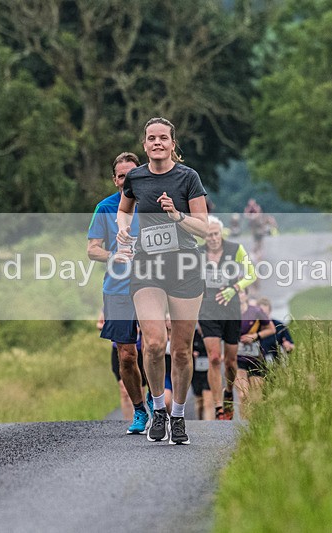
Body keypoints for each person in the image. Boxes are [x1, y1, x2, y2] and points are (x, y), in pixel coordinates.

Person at [117, 117, 208, 445]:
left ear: (172, 144)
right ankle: (158, 409)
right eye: (151, 138)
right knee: (154, 343)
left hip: (184, 268)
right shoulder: (136, 177)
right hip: (147, 269)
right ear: (144, 145)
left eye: (163, 138)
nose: (157, 143)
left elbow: (205, 227)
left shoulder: (188, 178)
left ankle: (179, 416)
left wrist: (177, 216)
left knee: (181, 351)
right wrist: (123, 228)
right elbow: (124, 209)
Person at [88, 152, 152, 435]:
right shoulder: (105, 208)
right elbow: (92, 249)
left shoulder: (152, 205)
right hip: (117, 290)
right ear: (115, 180)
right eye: (122, 175)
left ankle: (157, 400)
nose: (128, 179)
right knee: (126, 355)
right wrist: (114, 256)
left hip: (153, 286)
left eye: (132, 174)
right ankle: (140, 410)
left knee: (154, 347)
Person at [198, 215, 256, 420]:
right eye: (208, 235)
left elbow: (252, 274)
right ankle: (218, 407)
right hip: (207, 310)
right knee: (214, 358)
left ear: (221, 233)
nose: (212, 238)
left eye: (215, 234)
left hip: (231, 310)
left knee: (231, 362)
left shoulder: (235, 249)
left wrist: (235, 288)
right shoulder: (198, 253)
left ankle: (229, 392)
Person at [235, 289, 276, 419]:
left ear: (246, 295)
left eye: (241, 292)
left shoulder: (256, 311)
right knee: (243, 395)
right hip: (237, 358)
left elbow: (271, 329)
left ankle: (254, 425)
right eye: (236, 293)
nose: (239, 295)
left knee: (256, 397)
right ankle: (244, 424)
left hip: (255, 358)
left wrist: (255, 335)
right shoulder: (228, 312)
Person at [256, 297, 295, 365]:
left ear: (270, 311)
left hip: (274, 362)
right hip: (255, 362)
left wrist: (288, 346)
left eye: (265, 314)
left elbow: (291, 346)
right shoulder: (251, 327)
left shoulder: (279, 326)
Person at [191, 323, 214, 420]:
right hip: (196, 372)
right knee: (199, 402)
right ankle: (201, 422)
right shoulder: (193, 335)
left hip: (209, 371)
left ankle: (210, 424)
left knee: (208, 401)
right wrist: (192, 353)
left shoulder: (212, 335)